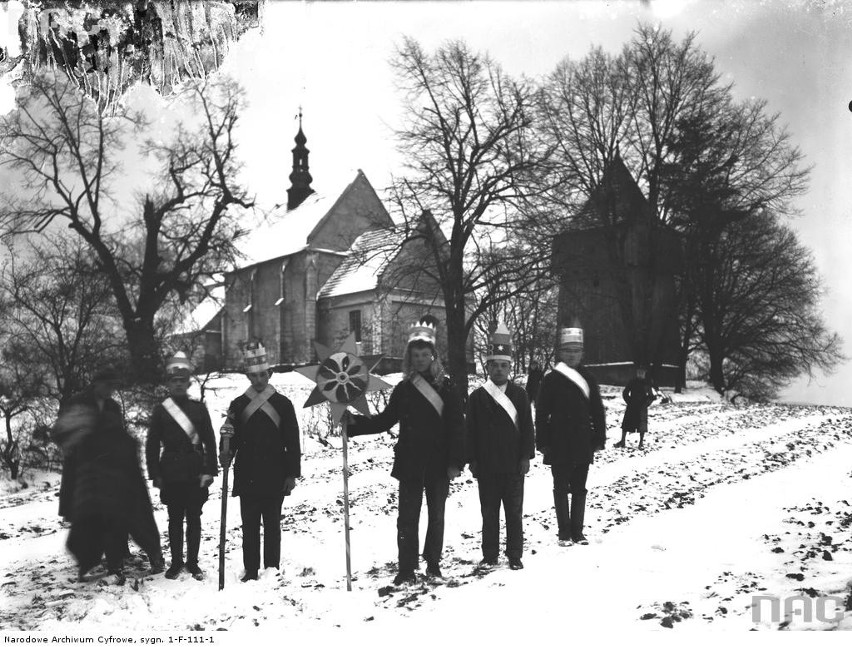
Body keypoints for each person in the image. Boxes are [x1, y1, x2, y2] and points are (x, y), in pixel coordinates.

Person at [345, 317, 465, 585]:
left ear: (433, 356)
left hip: (439, 462)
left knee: (436, 517)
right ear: (409, 358)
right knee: (407, 519)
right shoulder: (403, 389)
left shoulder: (447, 387)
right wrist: (354, 423)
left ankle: (433, 564)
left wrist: (456, 461)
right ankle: (406, 568)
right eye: (416, 355)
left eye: (425, 354)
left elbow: (458, 427)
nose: (421, 359)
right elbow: (384, 421)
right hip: (410, 462)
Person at [55, 369, 165, 584]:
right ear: (96, 384)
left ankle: (120, 558)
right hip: (86, 472)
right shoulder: (78, 403)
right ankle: (90, 563)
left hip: (113, 471)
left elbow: (117, 434)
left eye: (113, 386)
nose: (111, 390)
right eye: (107, 385)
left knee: (123, 513)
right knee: (90, 519)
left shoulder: (113, 406)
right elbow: (63, 434)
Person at [218, 342, 301, 582]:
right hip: (247, 474)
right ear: (247, 376)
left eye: (262, 375)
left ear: (270, 374)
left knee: (273, 525)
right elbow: (229, 437)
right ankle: (251, 569)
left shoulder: (283, 404)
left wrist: (291, 474)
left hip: (276, 473)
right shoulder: (238, 404)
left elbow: (292, 441)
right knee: (250, 526)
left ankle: (272, 567)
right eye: (253, 376)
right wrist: (225, 452)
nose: (258, 380)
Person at [466, 323, 534, 570]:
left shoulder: (520, 395)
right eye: (494, 365)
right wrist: (472, 459)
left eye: (503, 365)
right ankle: (490, 554)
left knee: (514, 514)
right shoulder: (477, 397)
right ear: (488, 368)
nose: (498, 369)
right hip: (486, 466)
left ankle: (515, 555)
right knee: (489, 513)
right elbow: (470, 431)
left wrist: (526, 456)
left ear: (510, 368)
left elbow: (527, 427)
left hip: (513, 465)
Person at [145, 352, 218, 580]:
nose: (178, 384)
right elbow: (152, 444)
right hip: (171, 472)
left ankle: (193, 562)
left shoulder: (199, 409)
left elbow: (209, 441)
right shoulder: (161, 410)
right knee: (174, 519)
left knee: (194, 518)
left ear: (188, 383)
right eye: (173, 381)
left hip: (195, 470)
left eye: (182, 381)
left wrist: (209, 471)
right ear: (168, 383)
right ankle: (176, 562)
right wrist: (155, 473)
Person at [535, 325, 606, 546]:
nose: (572, 354)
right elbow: (541, 412)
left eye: (576, 350)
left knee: (579, 488)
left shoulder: (589, 378)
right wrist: (543, 442)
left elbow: (597, 410)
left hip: (582, 441)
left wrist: (598, 439)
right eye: (568, 350)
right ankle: (564, 532)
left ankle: (578, 531)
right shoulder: (551, 379)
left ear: (582, 353)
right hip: (558, 443)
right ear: (561, 353)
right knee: (560, 487)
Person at [615, 365, 657, 450]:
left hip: (642, 406)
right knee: (626, 423)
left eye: (642, 373)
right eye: (638, 372)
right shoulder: (632, 382)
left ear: (645, 373)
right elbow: (625, 392)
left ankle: (641, 443)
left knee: (642, 425)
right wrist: (629, 401)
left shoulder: (647, 383)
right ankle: (622, 441)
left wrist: (646, 404)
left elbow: (651, 396)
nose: (640, 374)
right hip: (632, 405)